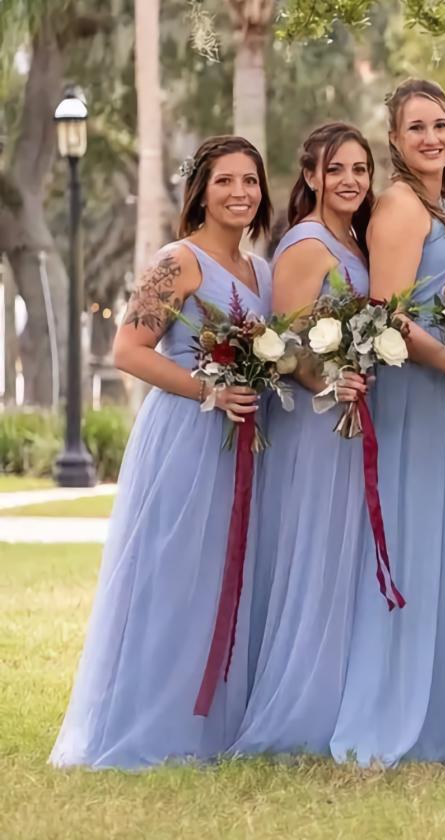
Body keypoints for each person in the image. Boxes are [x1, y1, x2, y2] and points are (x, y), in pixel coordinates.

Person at [50, 136, 274, 768]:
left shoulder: (260, 269)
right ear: (199, 190)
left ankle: (216, 724)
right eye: (225, 181)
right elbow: (129, 351)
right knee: (175, 576)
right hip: (186, 435)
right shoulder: (177, 261)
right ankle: (152, 723)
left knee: (228, 575)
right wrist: (211, 389)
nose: (240, 193)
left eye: (250, 181)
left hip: (245, 441)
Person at [329, 79, 445, 767]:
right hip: (417, 393)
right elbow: (387, 311)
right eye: (415, 127)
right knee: (415, 544)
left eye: (440, 124)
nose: (431, 137)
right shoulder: (398, 204)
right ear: (393, 141)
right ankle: (392, 713)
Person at [232, 122, 377, 757]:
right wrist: (331, 376)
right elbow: (282, 346)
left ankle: (340, 696)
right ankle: (297, 709)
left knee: (344, 559)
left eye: (361, 170)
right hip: (315, 423)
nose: (350, 181)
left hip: (350, 418)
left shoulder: (357, 240)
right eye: (337, 170)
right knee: (314, 554)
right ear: (312, 176)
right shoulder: (307, 244)